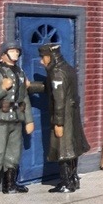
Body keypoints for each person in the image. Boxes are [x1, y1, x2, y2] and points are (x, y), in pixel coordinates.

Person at [38, 43, 89, 193]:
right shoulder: (67, 68)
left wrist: (58, 123)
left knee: (63, 150)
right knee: (72, 149)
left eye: (43, 58)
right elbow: (51, 88)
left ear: (50, 56)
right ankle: (73, 179)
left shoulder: (57, 73)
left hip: (64, 118)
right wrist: (31, 86)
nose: (42, 61)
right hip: (72, 116)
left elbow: (58, 100)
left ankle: (66, 183)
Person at [0, 41, 34, 194]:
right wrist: (2, 88)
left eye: (17, 51)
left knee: (14, 153)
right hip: (1, 119)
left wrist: (29, 119)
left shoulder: (20, 72)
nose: (16, 54)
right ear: (2, 55)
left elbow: (24, 97)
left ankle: (9, 184)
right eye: (12, 51)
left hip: (16, 119)